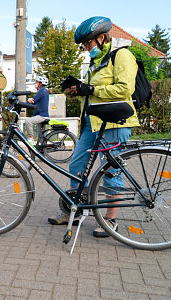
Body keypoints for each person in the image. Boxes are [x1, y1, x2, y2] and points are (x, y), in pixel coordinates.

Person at [47, 16, 140, 237]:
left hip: (114, 121)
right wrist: (78, 91)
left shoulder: (122, 55)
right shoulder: (95, 61)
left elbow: (125, 89)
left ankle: (110, 220)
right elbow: (91, 95)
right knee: (76, 165)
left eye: (87, 43)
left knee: (110, 172)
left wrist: (91, 90)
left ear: (101, 37)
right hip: (92, 122)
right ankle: (75, 208)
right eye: (83, 45)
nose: (85, 48)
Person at [25, 76, 49, 142]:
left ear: (40, 83)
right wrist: (28, 102)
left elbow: (34, 100)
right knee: (40, 137)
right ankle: (43, 150)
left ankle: (31, 138)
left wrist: (22, 104)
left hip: (41, 115)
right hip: (41, 115)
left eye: (37, 82)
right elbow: (34, 102)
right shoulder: (43, 91)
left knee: (28, 121)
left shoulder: (42, 90)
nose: (35, 83)